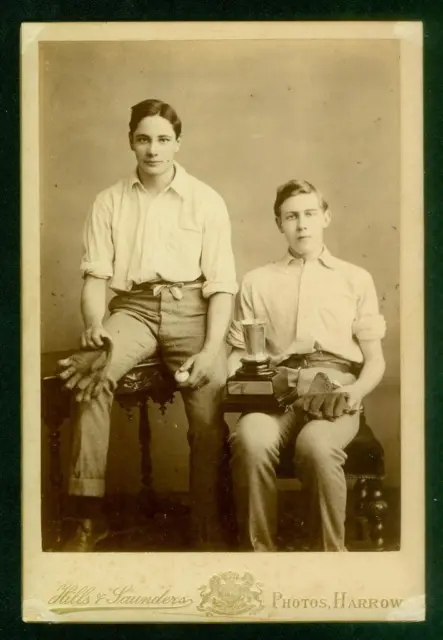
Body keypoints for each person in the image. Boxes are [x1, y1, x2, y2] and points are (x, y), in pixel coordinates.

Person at [59, 98, 237, 551]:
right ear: (130, 143)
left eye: (162, 139)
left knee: (208, 394)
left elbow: (221, 285)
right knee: (91, 374)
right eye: (143, 139)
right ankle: (88, 515)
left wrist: (212, 347)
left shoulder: (205, 199)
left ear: (178, 143)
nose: (153, 150)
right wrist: (95, 324)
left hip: (192, 307)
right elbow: (96, 276)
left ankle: (206, 520)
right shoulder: (109, 201)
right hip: (134, 308)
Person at [226, 179, 386, 552]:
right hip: (277, 388)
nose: (302, 225)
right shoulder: (256, 281)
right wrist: (241, 386)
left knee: (316, 446)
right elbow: (237, 352)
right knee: (251, 438)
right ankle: (260, 559)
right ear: (278, 223)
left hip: (334, 385)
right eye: (291, 216)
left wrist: (355, 391)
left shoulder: (354, 278)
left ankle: (328, 561)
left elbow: (375, 359)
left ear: (325, 217)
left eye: (310, 214)